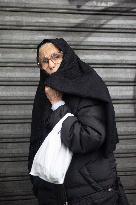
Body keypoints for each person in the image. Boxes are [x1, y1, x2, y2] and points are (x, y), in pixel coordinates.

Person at [28, 38, 130, 205]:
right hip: (58, 194)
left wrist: (58, 105)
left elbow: (90, 137)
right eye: (44, 61)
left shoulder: (86, 85)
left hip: (92, 192)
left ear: (66, 56)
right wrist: (38, 184)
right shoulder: (47, 91)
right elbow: (38, 140)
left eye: (56, 57)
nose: (51, 65)